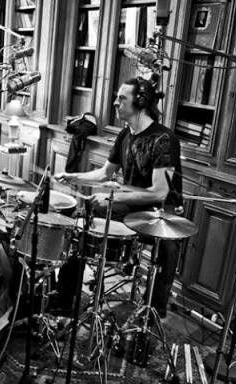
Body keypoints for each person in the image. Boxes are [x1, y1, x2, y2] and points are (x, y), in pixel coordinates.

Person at [54, 76, 183, 318]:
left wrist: (113, 198)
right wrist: (73, 177)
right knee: (80, 223)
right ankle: (65, 298)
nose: (115, 103)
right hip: (130, 207)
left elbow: (159, 192)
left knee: (168, 247)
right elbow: (104, 173)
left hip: (160, 211)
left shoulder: (164, 140)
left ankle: (154, 313)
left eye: (122, 98)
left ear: (141, 102)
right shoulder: (125, 135)